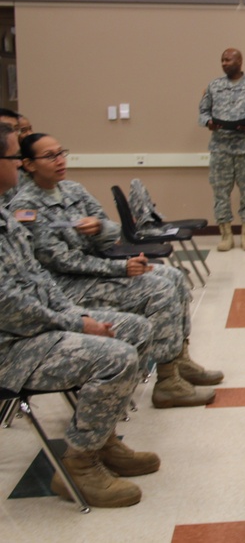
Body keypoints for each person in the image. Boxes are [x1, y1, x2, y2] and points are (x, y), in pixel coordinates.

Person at [0, 122, 160, 508]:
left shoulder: (4, 216)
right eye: (12, 157)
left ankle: (101, 441)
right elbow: (8, 305)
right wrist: (76, 322)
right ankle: (78, 465)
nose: (17, 166)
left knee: (134, 330)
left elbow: (37, 277)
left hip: (39, 326)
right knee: (116, 356)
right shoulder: (20, 208)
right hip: (12, 347)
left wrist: (76, 313)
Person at [11, 133, 223, 409]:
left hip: (97, 270)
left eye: (61, 152)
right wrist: (121, 268)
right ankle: (167, 382)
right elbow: (59, 261)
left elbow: (112, 232)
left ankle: (179, 361)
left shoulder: (72, 190)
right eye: (50, 156)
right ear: (28, 164)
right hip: (66, 285)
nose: (60, 160)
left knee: (172, 277)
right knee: (159, 290)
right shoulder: (26, 207)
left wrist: (99, 229)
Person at [198, 48, 245, 251]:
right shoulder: (214, 87)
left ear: (240, 61)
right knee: (220, 193)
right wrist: (209, 123)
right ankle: (226, 235)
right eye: (222, 60)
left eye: (228, 60)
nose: (224, 63)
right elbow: (202, 112)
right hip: (220, 149)